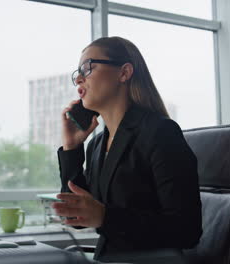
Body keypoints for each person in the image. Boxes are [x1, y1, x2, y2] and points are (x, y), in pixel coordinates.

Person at [52, 36, 202, 262]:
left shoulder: (161, 133)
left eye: (88, 67)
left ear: (124, 73)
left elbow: (186, 231)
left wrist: (105, 216)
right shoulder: (97, 144)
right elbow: (79, 217)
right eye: (78, 73)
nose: (79, 79)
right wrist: (72, 147)